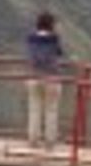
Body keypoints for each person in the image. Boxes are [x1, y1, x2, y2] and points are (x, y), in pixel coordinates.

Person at [26, 11, 65, 148]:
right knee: (51, 110)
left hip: (33, 76)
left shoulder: (30, 38)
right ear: (51, 24)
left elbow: (31, 54)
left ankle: (33, 140)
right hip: (52, 77)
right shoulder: (54, 39)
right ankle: (50, 142)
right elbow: (60, 53)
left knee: (34, 109)